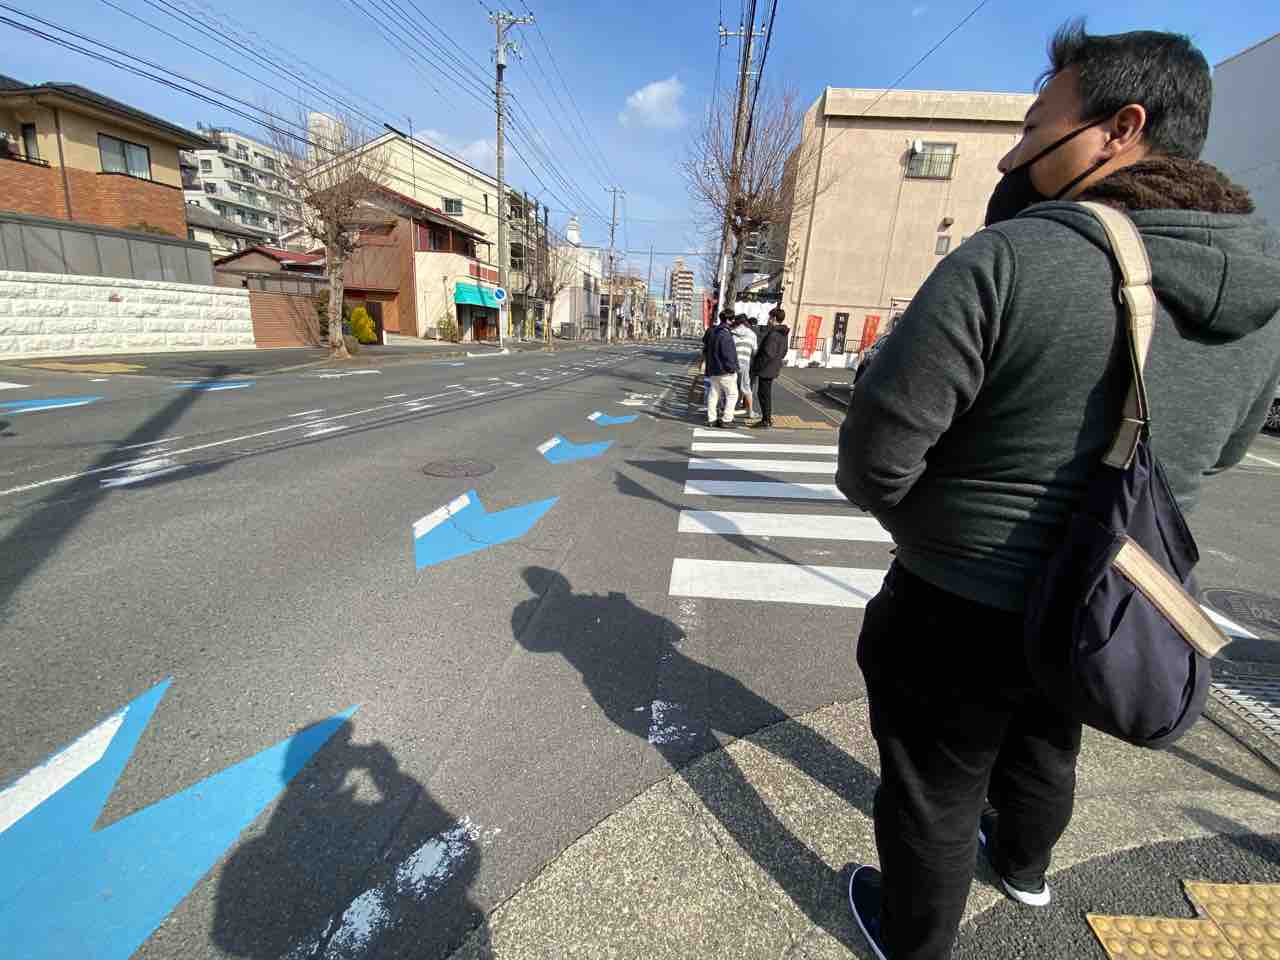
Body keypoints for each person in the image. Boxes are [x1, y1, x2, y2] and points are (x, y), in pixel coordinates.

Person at [836, 22, 1280, 960]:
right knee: (1047, 737)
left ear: (1121, 127)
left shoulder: (1010, 260)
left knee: (935, 790)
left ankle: (914, 943)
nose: (1016, 147)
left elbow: (874, 459)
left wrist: (939, 534)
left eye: (1039, 119)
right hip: (1108, 597)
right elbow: (1229, 451)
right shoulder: (1261, 302)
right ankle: (1028, 870)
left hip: (957, 601)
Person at [751, 308, 789, 428]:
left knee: (763, 395)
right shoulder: (783, 334)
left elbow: (767, 354)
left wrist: (757, 367)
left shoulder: (773, 334)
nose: (768, 320)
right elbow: (783, 352)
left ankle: (766, 420)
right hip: (773, 367)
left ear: (773, 318)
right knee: (765, 394)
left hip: (766, 369)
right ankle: (766, 419)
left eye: (769, 318)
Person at [704, 312, 740, 427]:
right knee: (732, 394)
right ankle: (726, 419)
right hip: (724, 371)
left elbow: (706, 350)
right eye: (733, 320)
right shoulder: (725, 335)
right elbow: (728, 355)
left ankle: (711, 419)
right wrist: (733, 368)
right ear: (729, 320)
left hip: (713, 369)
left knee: (714, 394)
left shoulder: (713, 332)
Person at [731, 314, 758, 419]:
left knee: (731, 389)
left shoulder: (732, 333)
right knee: (746, 388)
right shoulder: (752, 334)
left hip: (732, 364)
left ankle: (729, 411)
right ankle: (750, 411)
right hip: (745, 363)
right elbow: (755, 351)